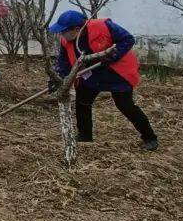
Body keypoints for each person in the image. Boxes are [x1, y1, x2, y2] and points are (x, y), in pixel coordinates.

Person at [50, 9, 159, 150]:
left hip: (117, 71)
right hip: (90, 73)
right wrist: (56, 79)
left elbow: (128, 39)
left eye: (64, 31)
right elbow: (63, 62)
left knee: (125, 105)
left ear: (77, 29)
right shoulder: (66, 40)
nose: (61, 34)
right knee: (82, 103)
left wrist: (111, 56)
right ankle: (85, 137)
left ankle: (150, 138)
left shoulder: (104, 26)